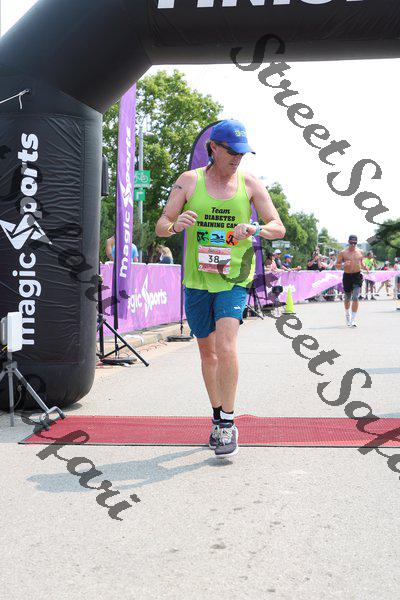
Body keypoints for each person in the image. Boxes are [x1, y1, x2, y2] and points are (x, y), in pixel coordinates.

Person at [155, 119, 285, 458]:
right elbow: (161, 225)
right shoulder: (189, 181)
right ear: (213, 148)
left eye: (242, 153)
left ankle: (227, 422)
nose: (237, 158)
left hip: (234, 278)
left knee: (226, 345)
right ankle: (216, 415)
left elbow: (278, 227)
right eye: (231, 151)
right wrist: (176, 225)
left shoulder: (250, 183)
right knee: (208, 353)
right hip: (198, 280)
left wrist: (254, 228)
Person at [336, 235, 369, 327]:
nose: (353, 244)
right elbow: (337, 265)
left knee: (355, 297)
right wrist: (343, 264)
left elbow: (361, 262)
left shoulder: (360, 251)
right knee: (347, 298)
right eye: (351, 242)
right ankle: (347, 315)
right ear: (348, 242)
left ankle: (353, 320)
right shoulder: (343, 252)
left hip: (357, 275)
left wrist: (365, 267)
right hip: (347, 276)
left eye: (355, 242)